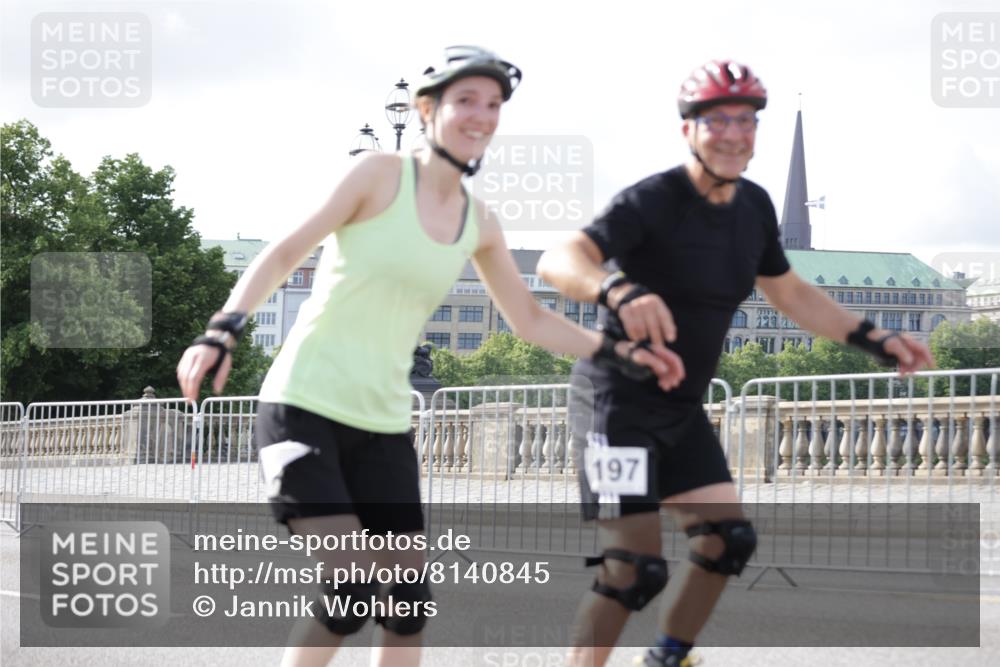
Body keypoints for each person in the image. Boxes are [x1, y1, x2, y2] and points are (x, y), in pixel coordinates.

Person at [176, 46, 685, 667]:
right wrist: (222, 330)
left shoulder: (479, 222)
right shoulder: (378, 175)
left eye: (493, 104)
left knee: (407, 603)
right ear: (426, 109)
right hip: (304, 404)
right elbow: (286, 252)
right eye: (466, 100)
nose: (481, 115)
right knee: (351, 590)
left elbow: (528, 318)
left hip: (384, 425)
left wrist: (620, 352)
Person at [536, 59, 935, 667]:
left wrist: (875, 337)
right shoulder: (653, 200)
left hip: (680, 410)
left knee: (728, 540)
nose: (733, 133)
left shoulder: (752, 207)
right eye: (717, 120)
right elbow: (559, 259)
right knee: (633, 567)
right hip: (616, 405)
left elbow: (790, 292)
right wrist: (618, 290)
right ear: (688, 130)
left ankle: (667, 658)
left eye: (746, 121)